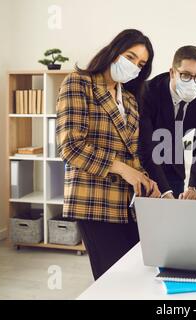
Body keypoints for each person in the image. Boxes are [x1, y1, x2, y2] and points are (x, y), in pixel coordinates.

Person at [56, 29, 160, 280]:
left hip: (128, 206)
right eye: (130, 56)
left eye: (141, 63)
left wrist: (146, 180)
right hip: (93, 201)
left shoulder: (131, 100)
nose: (134, 66)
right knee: (113, 283)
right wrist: (125, 170)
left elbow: (131, 155)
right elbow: (71, 146)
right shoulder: (78, 83)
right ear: (114, 52)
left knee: (139, 277)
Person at [139, 45, 196, 199]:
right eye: (185, 75)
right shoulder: (148, 92)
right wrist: (164, 192)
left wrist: (195, 187)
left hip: (173, 165)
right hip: (143, 166)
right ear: (172, 73)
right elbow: (145, 146)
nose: (192, 82)